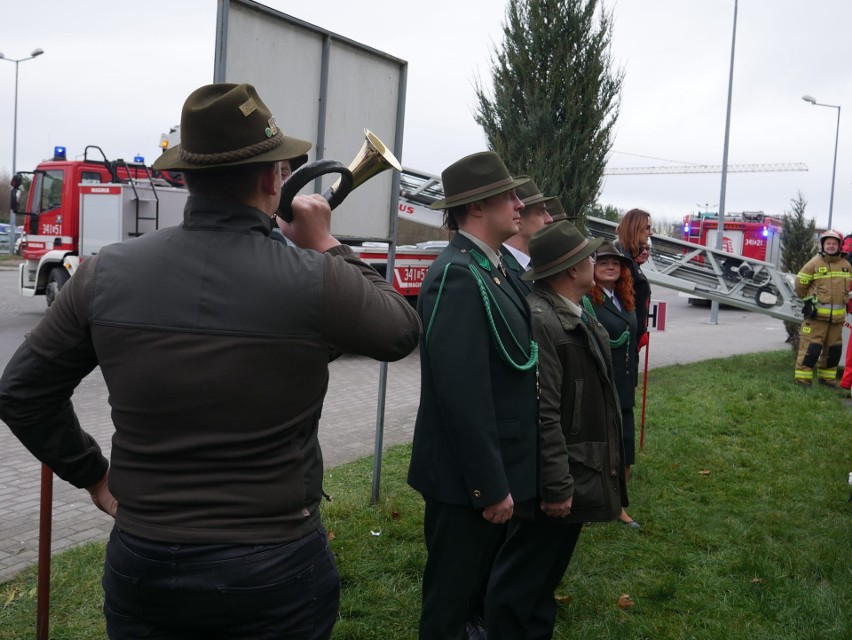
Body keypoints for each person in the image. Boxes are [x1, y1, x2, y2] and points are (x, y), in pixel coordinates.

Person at [0, 82, 421, 639]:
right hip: (272, 563)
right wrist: (327, 244)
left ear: (186, 176)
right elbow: (400, 331)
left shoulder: (103, 273)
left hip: (143, 560)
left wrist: (96, 478)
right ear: (275, 179)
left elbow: (21, 393)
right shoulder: (314, 278)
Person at [407, 151, 539, 640]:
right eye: (510, 194)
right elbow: (461, 393)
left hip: (490, 472)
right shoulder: (458, 274)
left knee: (476, 605)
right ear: (478, 207)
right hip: (465, 482)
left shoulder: (493, 269)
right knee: (450, 607)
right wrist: (489, 484)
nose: (520, 203)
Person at [486, 221, 625, 639]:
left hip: (575, 471)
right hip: (557, 478)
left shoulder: (573, 313)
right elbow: (543, 410)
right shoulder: (543, 320)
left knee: (543, 583)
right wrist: (557, 484)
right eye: (588, 256)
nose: (595, 262)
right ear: (569, 270)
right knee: (519, 585)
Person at [582, 240, 641, 528]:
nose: (609, 266)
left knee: (626, 445)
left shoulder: (624, 298)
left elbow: (631, 341)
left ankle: (617, 503)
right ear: (592, 267)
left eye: (615, 263)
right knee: (605, 447)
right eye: (603, 262)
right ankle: (599, 503)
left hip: (624, 384)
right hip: (602, 384)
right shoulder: (587, 301)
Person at [794, 229, 852, 387]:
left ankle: (827, 380)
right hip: (816, 317)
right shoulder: (814, 263)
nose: (831, 246)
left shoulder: (846, 265)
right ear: (823, 245)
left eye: (834, 243)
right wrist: (808, 300)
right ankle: (803, 380)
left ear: (839, 246)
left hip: (837, 319)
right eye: (828, 243)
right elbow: (800, 285)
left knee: (833, 351)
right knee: (810, 350)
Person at [614, 209, 653, 356]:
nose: (651, 233)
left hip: (630, 342)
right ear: (635, 228)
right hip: (623, 342)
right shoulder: (619, 258)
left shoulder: (628, 256)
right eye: (648, 228)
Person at [502, 175, 554, 280]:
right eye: (541, 212)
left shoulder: (535, 268)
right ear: (518, 217)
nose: (550, 219)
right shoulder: (499, 265)